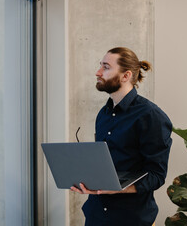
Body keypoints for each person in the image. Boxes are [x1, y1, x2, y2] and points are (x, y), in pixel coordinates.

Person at [70, 47, 172, 226]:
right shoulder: (104, 113)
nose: (98, 72)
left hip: (131, 219)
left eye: (106, 67)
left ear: (126, 76)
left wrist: (118, 189)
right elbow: (105, 165)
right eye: (100, 66)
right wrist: (87, 180)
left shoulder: (151, 116)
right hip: (96, 216)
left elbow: (156, 176)